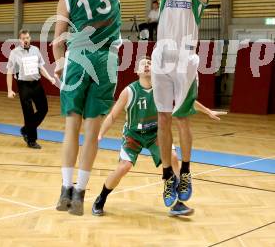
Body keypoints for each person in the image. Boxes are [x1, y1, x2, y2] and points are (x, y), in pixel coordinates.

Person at [53, 0, 148, 216]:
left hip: (78, 60)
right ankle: (79, 194)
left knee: (71, 128)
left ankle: (63, 190)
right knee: (92, 131)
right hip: (105, 60)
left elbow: (58, 35)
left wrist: (60, 61)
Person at [91, 57, 225, 217]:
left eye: (149, 63)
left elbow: (186, 101)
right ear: (137, 71)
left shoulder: (162, 88)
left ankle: (178, 203)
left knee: (174, 157)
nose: (147, 65)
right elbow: (113, 115)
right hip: (133, 135)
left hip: (156, 133)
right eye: (143, 64)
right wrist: (100, 133)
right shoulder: (129, 91)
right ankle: (101, 198)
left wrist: (208, 111)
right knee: (124, 167)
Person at [146, 0, 213, 208]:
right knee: (162, 117)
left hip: (186, 60)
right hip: (161, 55)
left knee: (182, 119)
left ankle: (185, 171)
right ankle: (166, 176)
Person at [6, 29, 56, 149]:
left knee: (43, 109)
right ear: (20, 40)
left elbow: (41, 67)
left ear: (30, 38)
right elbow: (9, 71)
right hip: (23, 85)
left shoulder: (36, 50)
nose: (26, 40)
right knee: (28, 113)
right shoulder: (14, 53)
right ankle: (31, 140)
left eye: (27, 38)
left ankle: (26, 129)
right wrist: (9, 90)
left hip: (37, 84)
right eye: (23, 38)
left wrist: (50, 78)